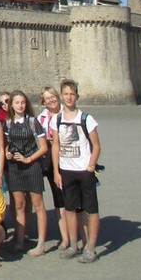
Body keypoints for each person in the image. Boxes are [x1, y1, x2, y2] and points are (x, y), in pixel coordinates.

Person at [51, 79, 102, 263]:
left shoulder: (86, 119)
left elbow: (96, 146)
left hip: (84, 170)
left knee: (91, 209)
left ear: (77, 96)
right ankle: (74, 245)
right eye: (66, 94)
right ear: (61, 96)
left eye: (72, 94)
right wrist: (56, 171)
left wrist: (91, 166)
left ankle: (91, 247)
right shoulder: (57, 119)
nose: (69, 97)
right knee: (70, 209)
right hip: (66, 170)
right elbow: (55, 146)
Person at [4, 90, 48, 255]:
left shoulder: (32, 121)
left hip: (32, 166)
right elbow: (6, 144)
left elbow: (44, 147)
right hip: (15, 167)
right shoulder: (8, 123)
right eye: (17, 103)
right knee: (19, 205)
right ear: (12, 105)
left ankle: (41, 244)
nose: (20, 105)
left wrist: (28, 159)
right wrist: (8, 153)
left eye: (22, 102)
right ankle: (20, 241)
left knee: (38, 205)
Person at [37, 85, 80, 250]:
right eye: (47, 98)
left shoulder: (68, 113)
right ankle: (65, 238)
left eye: (53, 96)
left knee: (72, 197)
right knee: (58, 199)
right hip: (50, 159)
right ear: (43, 102)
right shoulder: (41, 118)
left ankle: (75, 235)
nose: (51, 100)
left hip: (69, 158)